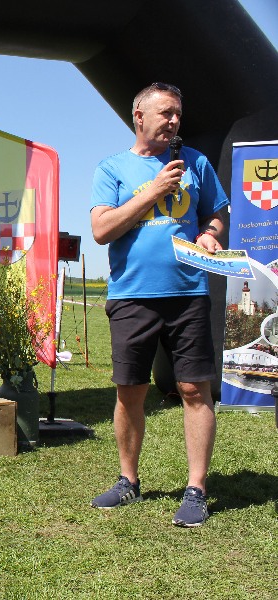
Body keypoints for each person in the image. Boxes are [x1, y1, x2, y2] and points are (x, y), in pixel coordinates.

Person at [89, 83, 228, 527]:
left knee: (194, 390)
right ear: (139, 116)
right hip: (131, 295)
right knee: (130, 391)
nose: (174, 121)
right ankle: (128, 481)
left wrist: (210, 234)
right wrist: (152, 191)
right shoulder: (112, 168)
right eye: (166, 112)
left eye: (177, 114)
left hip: (188, 293)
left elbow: (216, 214)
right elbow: (102, 230)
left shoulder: (197, 164)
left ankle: (196, 489)